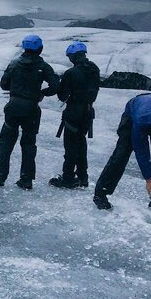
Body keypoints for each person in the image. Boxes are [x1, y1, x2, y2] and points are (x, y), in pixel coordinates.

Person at [93, 93, 151, 213]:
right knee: (122, 153)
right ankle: (101, 193)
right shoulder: (141, 120)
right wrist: (149, 179)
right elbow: (141, 151)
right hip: (133, 112)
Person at [0, 34, 60, 190]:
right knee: (29, 144)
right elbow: (56, 85)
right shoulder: (43, 67)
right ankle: (26, 179)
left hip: (13, 107)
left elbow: (4, 85)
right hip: (31, 109)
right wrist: (43, 93)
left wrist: (17, 88)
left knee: (5, 142)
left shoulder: (14, 64)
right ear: (40, 49)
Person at [50, 41, 101, 189]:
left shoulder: (71, 73)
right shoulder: (94, 69)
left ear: (73, 56)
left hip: (73, 113)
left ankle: (67, 178)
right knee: (81, 142)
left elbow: (62, 95)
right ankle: (82, 176)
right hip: (88, 112)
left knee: (71, 145)